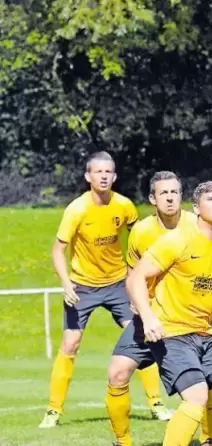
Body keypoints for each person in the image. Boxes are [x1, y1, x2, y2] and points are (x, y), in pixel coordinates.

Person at [39, 152, 166, 429]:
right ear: (88, 177)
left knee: (142, 335)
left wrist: (141, 278)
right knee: (70, 343)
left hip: (118, 284)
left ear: (115, 176)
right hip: (82, 286)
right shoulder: (76, 210)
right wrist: (65, 282)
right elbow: (58, 250)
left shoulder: (124, 206)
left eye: (109, 172)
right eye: (98, 172)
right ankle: (53, 411)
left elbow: (140, 239)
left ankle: (156, 403)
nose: (104, 176)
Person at [126, 181, 212, 446]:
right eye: (211, 199)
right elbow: (135, 278)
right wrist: (148, 317)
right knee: (197, 395)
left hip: (205, 335)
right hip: (171, 334)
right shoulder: (177, 241)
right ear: (196, 208)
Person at [106, 171, 197, 446]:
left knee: (204, 381)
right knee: (117, 373)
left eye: (174, 192)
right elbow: (132, 273)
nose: (169, 198)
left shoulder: (196, 226)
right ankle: (123, 442)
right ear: (152, 198)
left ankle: (210, 438)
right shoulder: (142, 232)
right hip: (149, 317)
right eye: (163, 193)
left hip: (188, 318)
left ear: (181, 196)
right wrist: (137, 303)